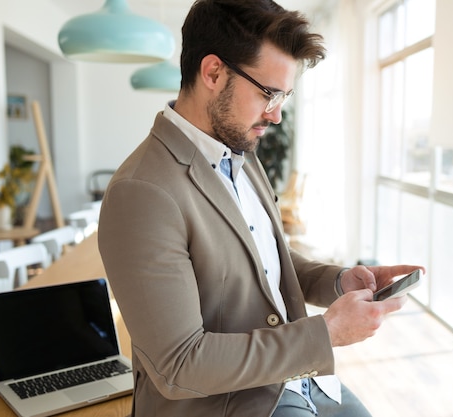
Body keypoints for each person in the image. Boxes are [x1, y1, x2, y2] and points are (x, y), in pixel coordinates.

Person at [98, 0, 424, 416]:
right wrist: (325, 333)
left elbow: (264, 261)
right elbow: (180, 365)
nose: (276, 115)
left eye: (284, 96)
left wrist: (340, 282)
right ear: (213, 73)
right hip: (226, 404)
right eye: (268, 94)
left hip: (295, 378)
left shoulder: (241, 153)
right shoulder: (142, 192)